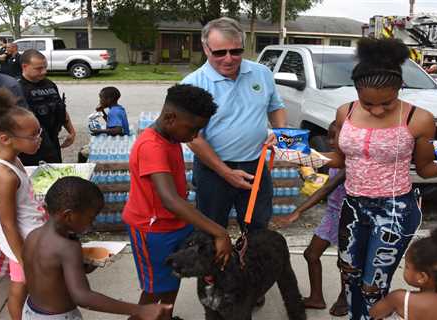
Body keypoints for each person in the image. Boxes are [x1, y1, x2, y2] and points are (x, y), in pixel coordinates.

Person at [325, 37, 437, 319]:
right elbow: (340, 161)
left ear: (399, 88)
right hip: (352, 207)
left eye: (387, 104)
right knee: (349, 276)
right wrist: (298, 158)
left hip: (394, 210)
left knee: (373, 286)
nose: (377, 110)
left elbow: (426, 169)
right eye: (368, 104)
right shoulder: (346, 111)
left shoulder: (419, 119)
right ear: (356, 91)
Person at [122, 84, 232, 317]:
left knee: (174, 277)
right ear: (171, 118)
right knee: (153, 290)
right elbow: (170, 200)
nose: (194, 137)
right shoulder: (151, 146)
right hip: (151, 230)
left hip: (176, 225)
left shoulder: (171, 138)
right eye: (192, 129)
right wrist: (220, 232)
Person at [181, 17, 286, 233]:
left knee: (258, 229)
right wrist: (226, 172)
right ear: (205, 48)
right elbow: (193, 137)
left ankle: (250, 266)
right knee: (211, 231)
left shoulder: (262, 73)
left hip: (256, 166)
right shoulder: (193, 83)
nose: (229, 59)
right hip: (213, 170)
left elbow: (276, 107)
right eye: (220, 53)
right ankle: (216, 268)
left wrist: (279, 131)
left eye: (236, 51)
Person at [22, 176, 172, 320]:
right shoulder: (68, 248)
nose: (91, 224)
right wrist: (140, 309)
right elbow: (83, 296)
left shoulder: (32, 236)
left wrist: (84, 266)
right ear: (68, 216)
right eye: (91, 217)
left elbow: (48, 274)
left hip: (31, 311)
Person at [275, 121, 348, 316]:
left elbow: (327, 188)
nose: (330, 142)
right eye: (328, 136)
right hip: (333, 215)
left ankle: (344, 298)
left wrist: (298, 211)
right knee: (311, 254)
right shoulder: (335, 158)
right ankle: (317, 298)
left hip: (349, 218)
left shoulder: (351, 160)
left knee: (345, 262)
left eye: (335, 137)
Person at [0, 88, 46, 320]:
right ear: (4, 139)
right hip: (22, 243)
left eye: (38, 132)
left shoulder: (12, 157)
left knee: (28, 285)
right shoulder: (4, 174)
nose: (39, 138)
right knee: (20, 286)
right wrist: (23, 259)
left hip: (31, 235)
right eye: (33, 135)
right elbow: (8, 224)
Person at [370, 223, 437, 320]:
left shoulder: (399, 299)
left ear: (422, 277)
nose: (404, 268)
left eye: (407, 266)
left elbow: (373, 313)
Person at [18, 49, 76, 166]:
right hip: (32, 144)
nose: (44, 71)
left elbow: (60, 108)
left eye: (45, 67)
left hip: (52, 138)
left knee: (56, 171)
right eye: (39, 68)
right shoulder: (17, 87)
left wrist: (71, 131)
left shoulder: (49, 84)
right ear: (25, 66)